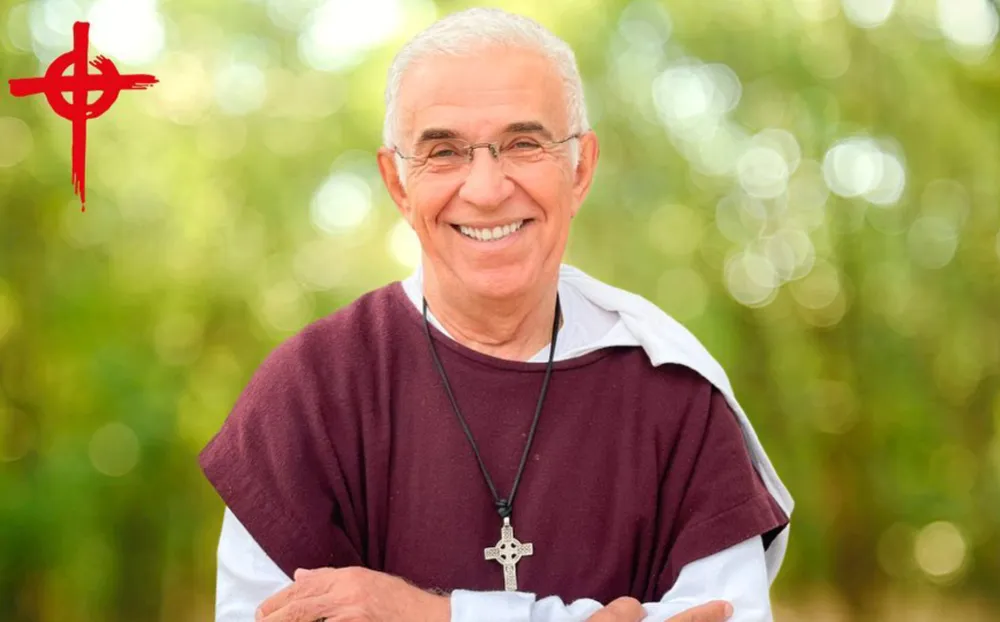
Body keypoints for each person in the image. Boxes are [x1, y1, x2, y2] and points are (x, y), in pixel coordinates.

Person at [198, 7, 794, 622]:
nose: (485, 190)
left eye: (524, 144)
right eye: (444, 151)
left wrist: (433, 615)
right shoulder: (309, 394)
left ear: (580, 169)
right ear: (398, 184)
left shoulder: (676, 395)